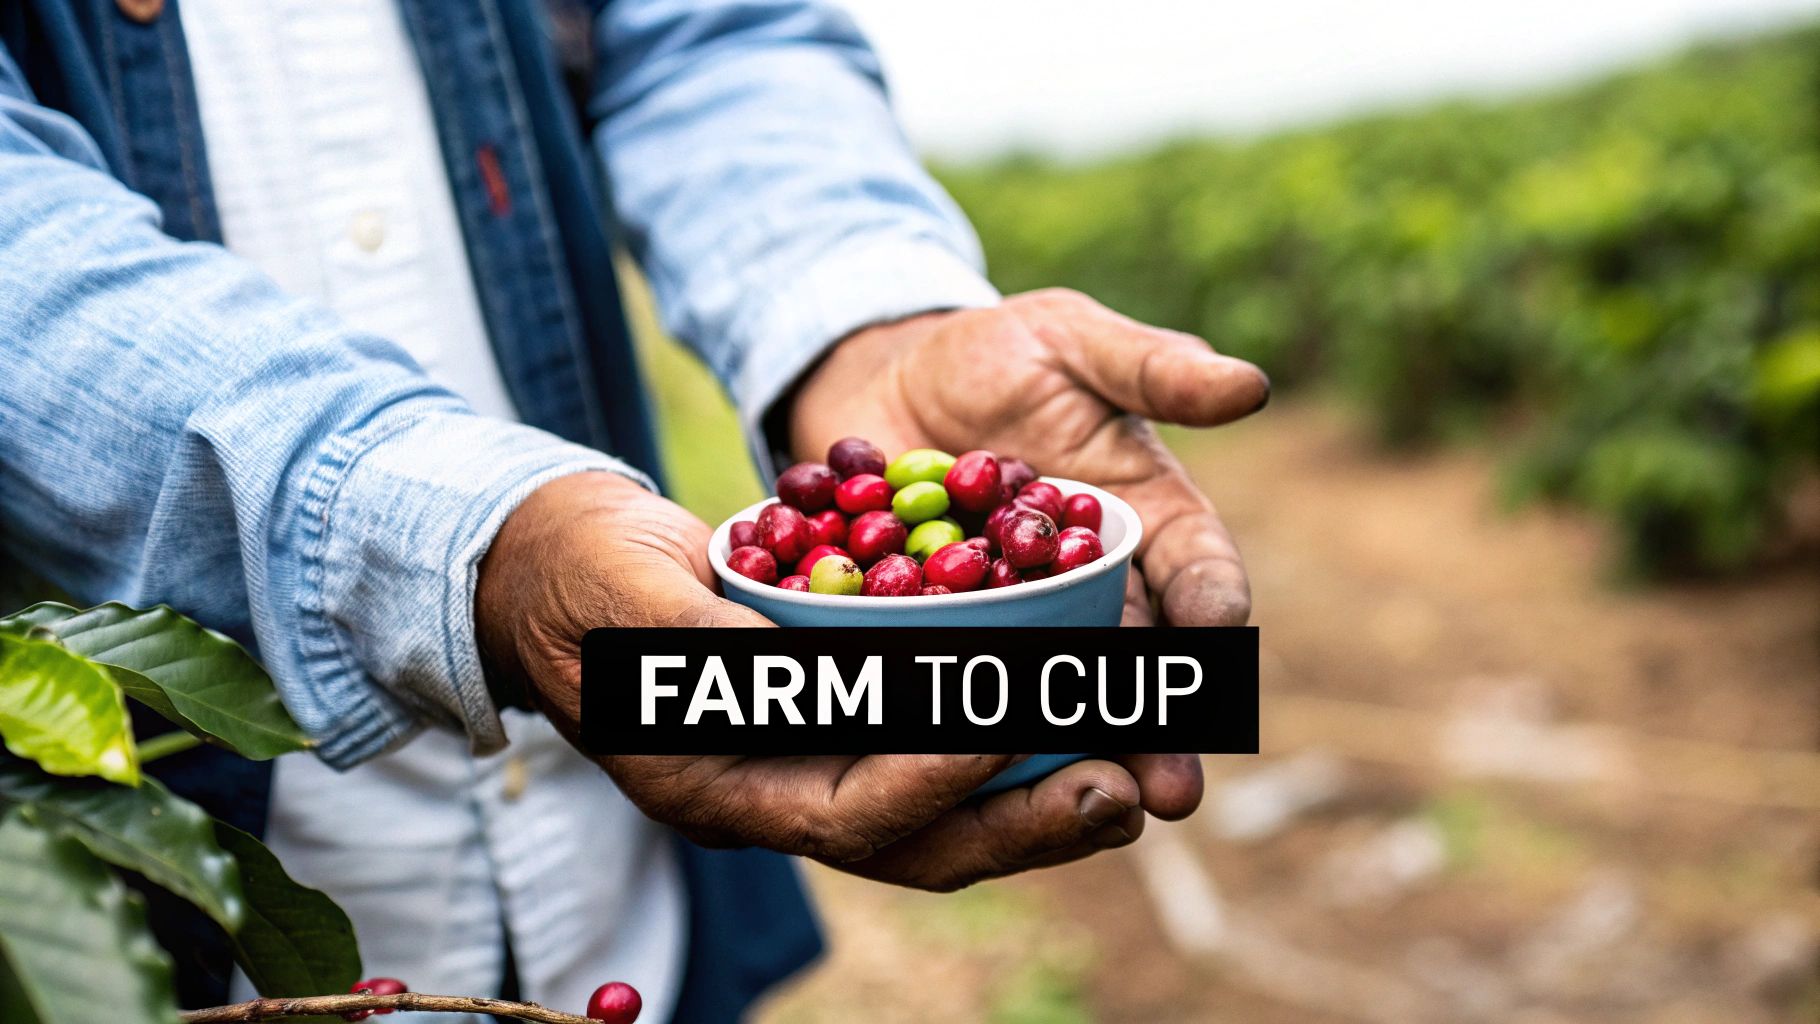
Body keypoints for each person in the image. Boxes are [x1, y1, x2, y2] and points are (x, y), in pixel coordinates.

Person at [0, 1, 1268, 1021]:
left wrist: (857, 318)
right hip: (177, 913)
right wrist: (472, 538)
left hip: (620, 912)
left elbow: (708, 37)